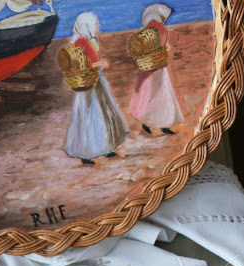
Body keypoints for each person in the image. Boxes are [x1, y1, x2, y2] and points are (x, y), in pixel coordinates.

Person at [64, 12, 129, 165]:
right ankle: (94, 149)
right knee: (95, 113)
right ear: (87, 25)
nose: (98, 26)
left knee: (93, 113)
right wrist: (103, 63)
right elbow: (89, 63)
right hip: (92, 82)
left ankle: (102, 148)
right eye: (96, 23)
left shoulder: (80, 40)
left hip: (92, 81)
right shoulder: (83, 42)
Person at [128, 3, 184, 135]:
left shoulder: (147, 29)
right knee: (161, 93)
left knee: (147, 93)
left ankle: (149, 122)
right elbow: (162, 44)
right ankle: (162, 123)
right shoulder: (159, 28)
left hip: (148, 66)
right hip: (158, 65)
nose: (164, 20)